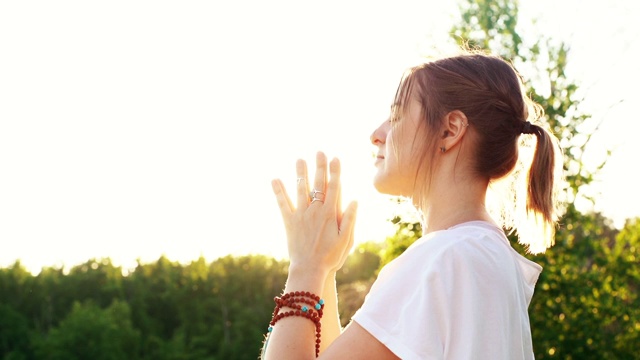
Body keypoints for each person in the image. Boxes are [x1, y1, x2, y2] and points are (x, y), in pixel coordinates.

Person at [261, 50, 564, 360]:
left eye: (396, 116)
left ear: (450, 130)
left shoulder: (441, 260)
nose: (377, 135)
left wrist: (304, 266)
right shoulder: (483, 257)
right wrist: (323, 270)